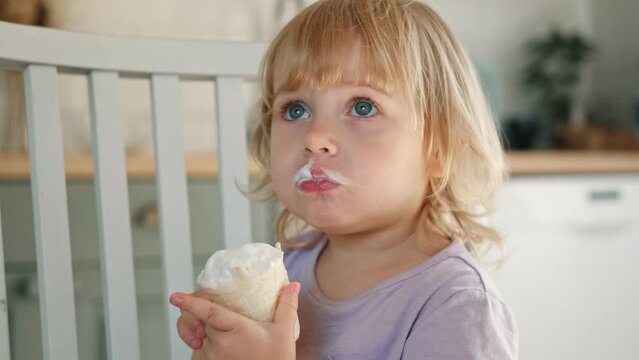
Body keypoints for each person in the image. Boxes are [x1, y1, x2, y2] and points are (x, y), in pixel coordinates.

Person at [169, 0, 518, 358]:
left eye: (362, 107)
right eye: (296, 109)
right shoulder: (284, 273)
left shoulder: (458, 307)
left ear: (441, 147)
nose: (315, 138)